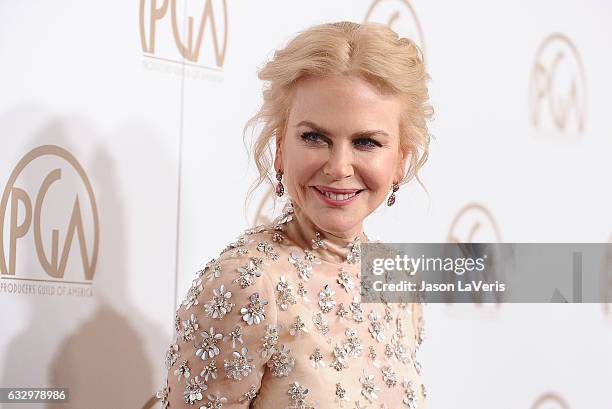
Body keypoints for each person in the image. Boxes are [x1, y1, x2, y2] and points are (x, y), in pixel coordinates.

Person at [157, 20, 433, 409]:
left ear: (401, 161)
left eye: (366, 142)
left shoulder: (396, 280)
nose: (339, 167)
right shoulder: (246, 285)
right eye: (315, 137)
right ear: (280, 148)